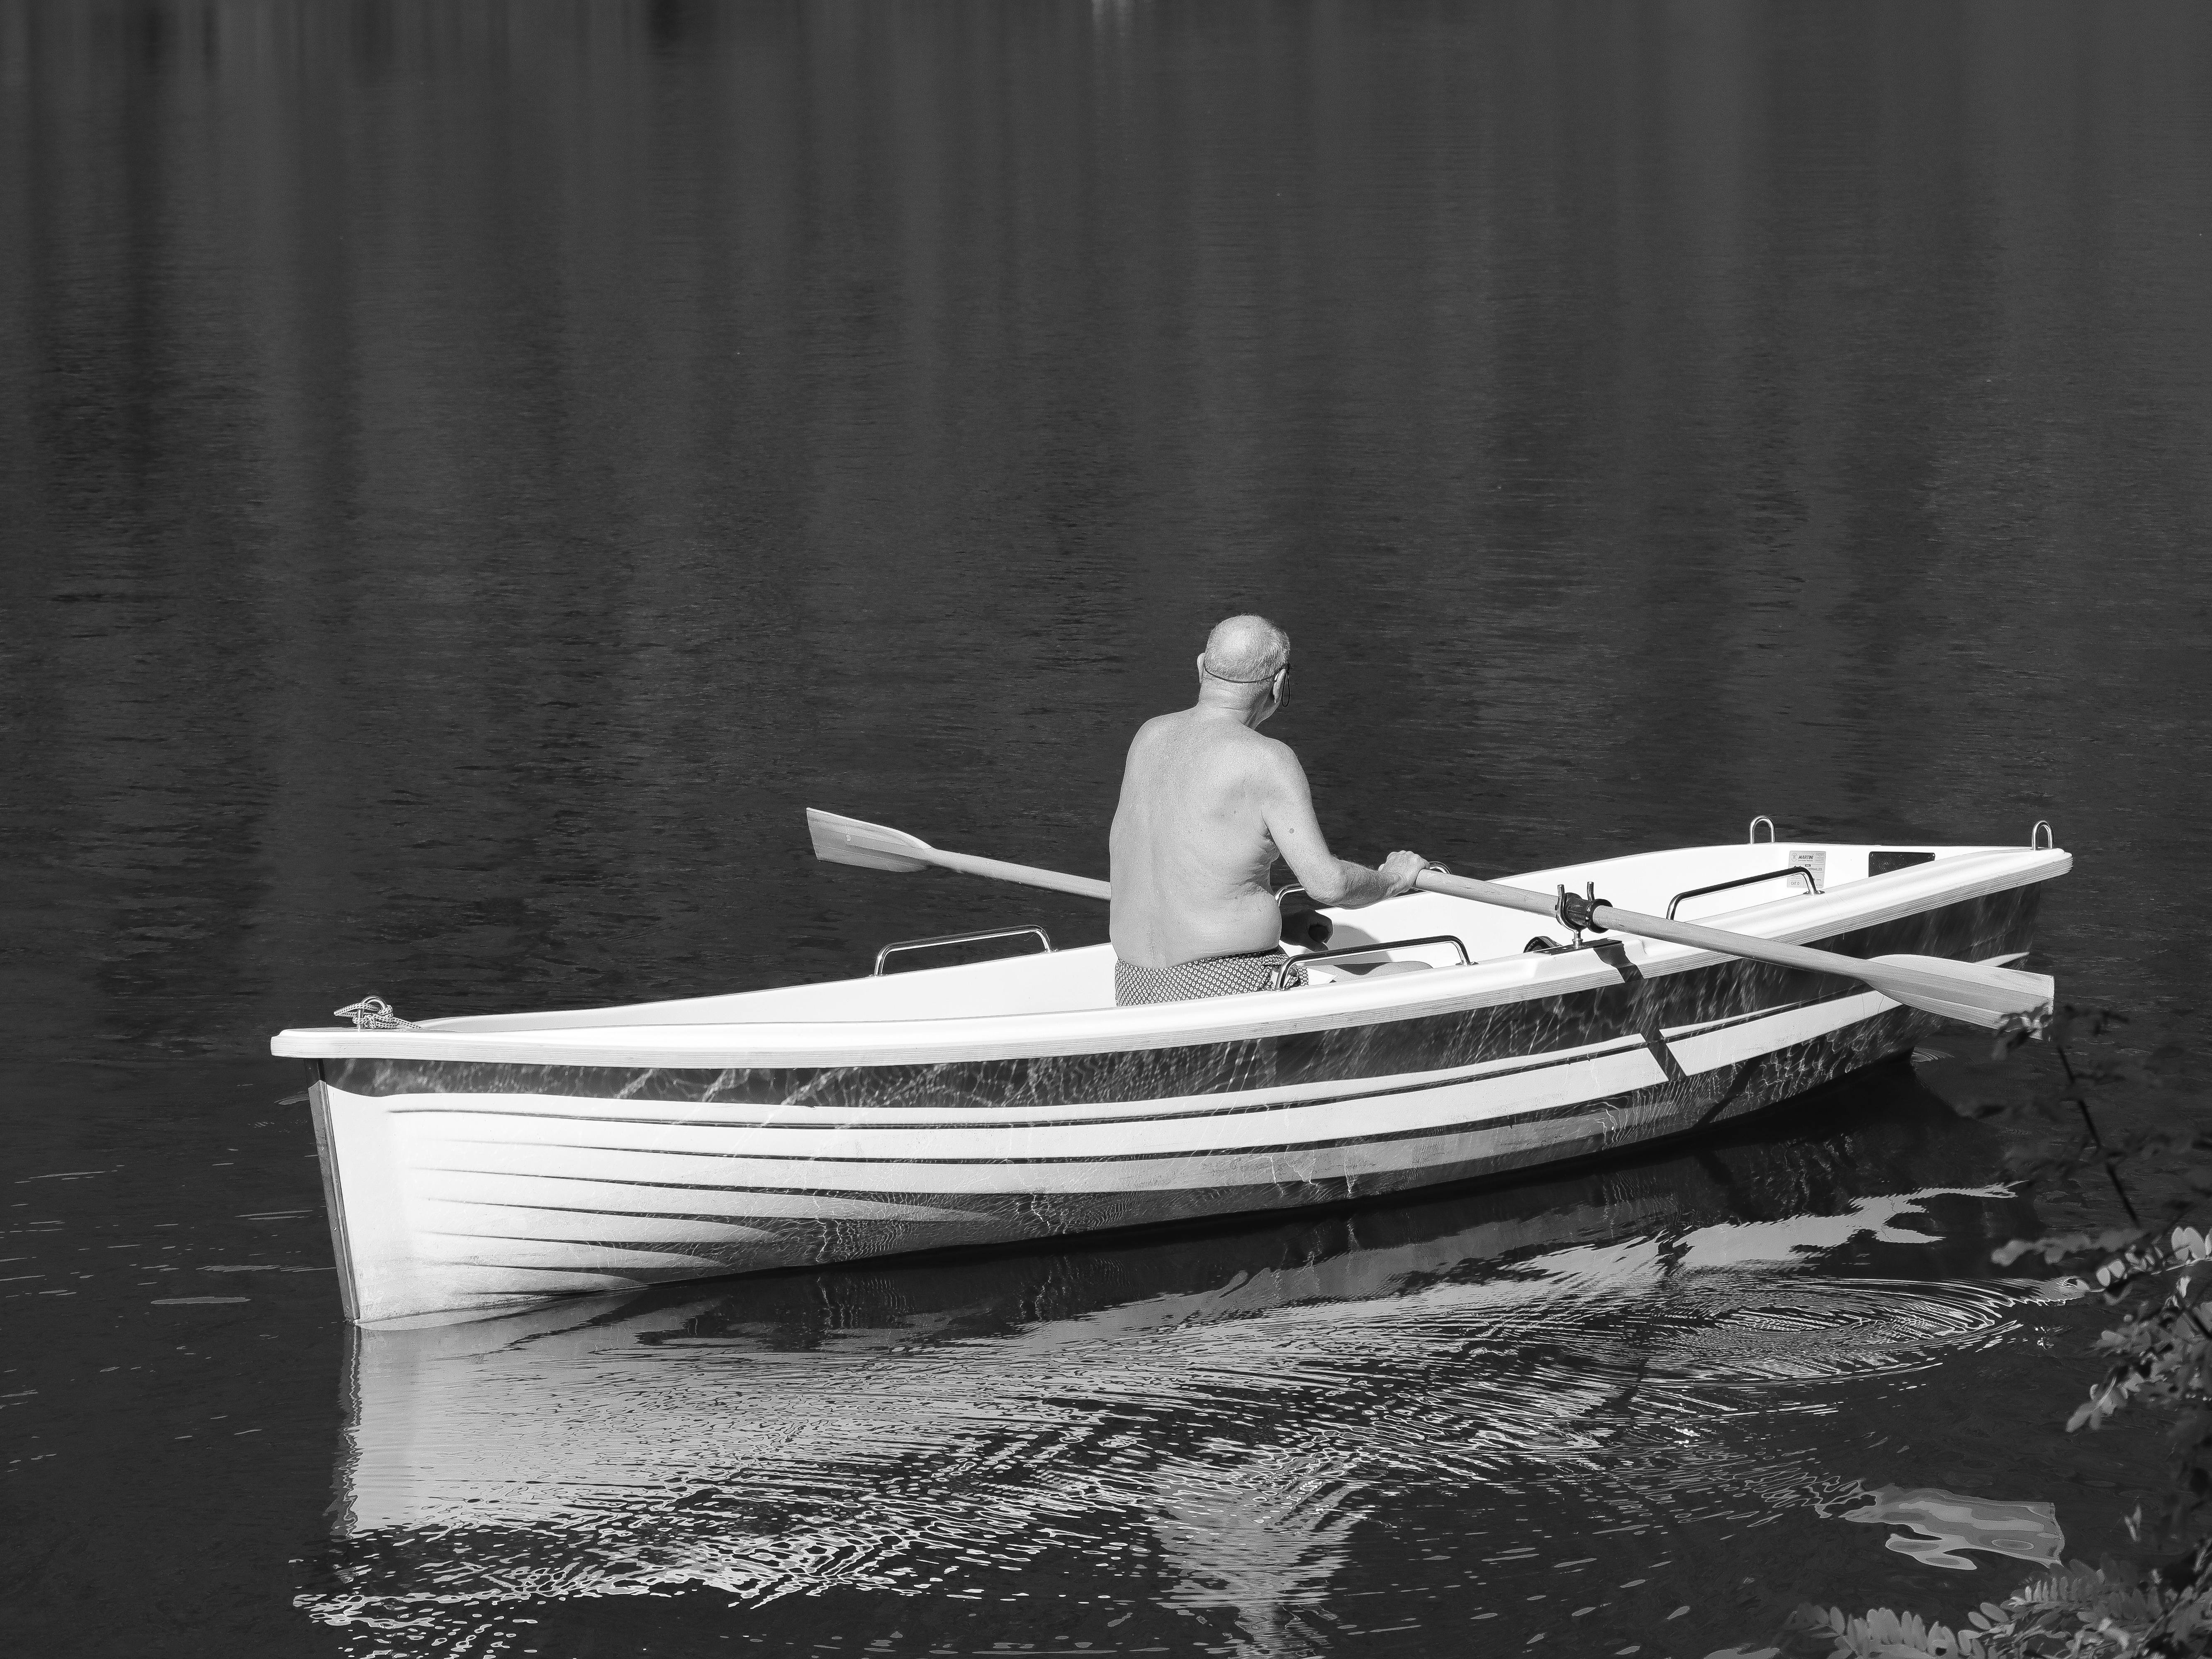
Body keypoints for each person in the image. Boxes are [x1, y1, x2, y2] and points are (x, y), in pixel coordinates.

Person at [1107, 614, 1430, 1007]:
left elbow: (1185, 871)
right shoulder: (1267, 759)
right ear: (1279, 683)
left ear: (1199, 667)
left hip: (1135, 986)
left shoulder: (1149, 736)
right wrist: (1395, 879)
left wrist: (1282, 922)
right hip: (1226, 985)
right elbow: (1329, 886)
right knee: (1421, 975)